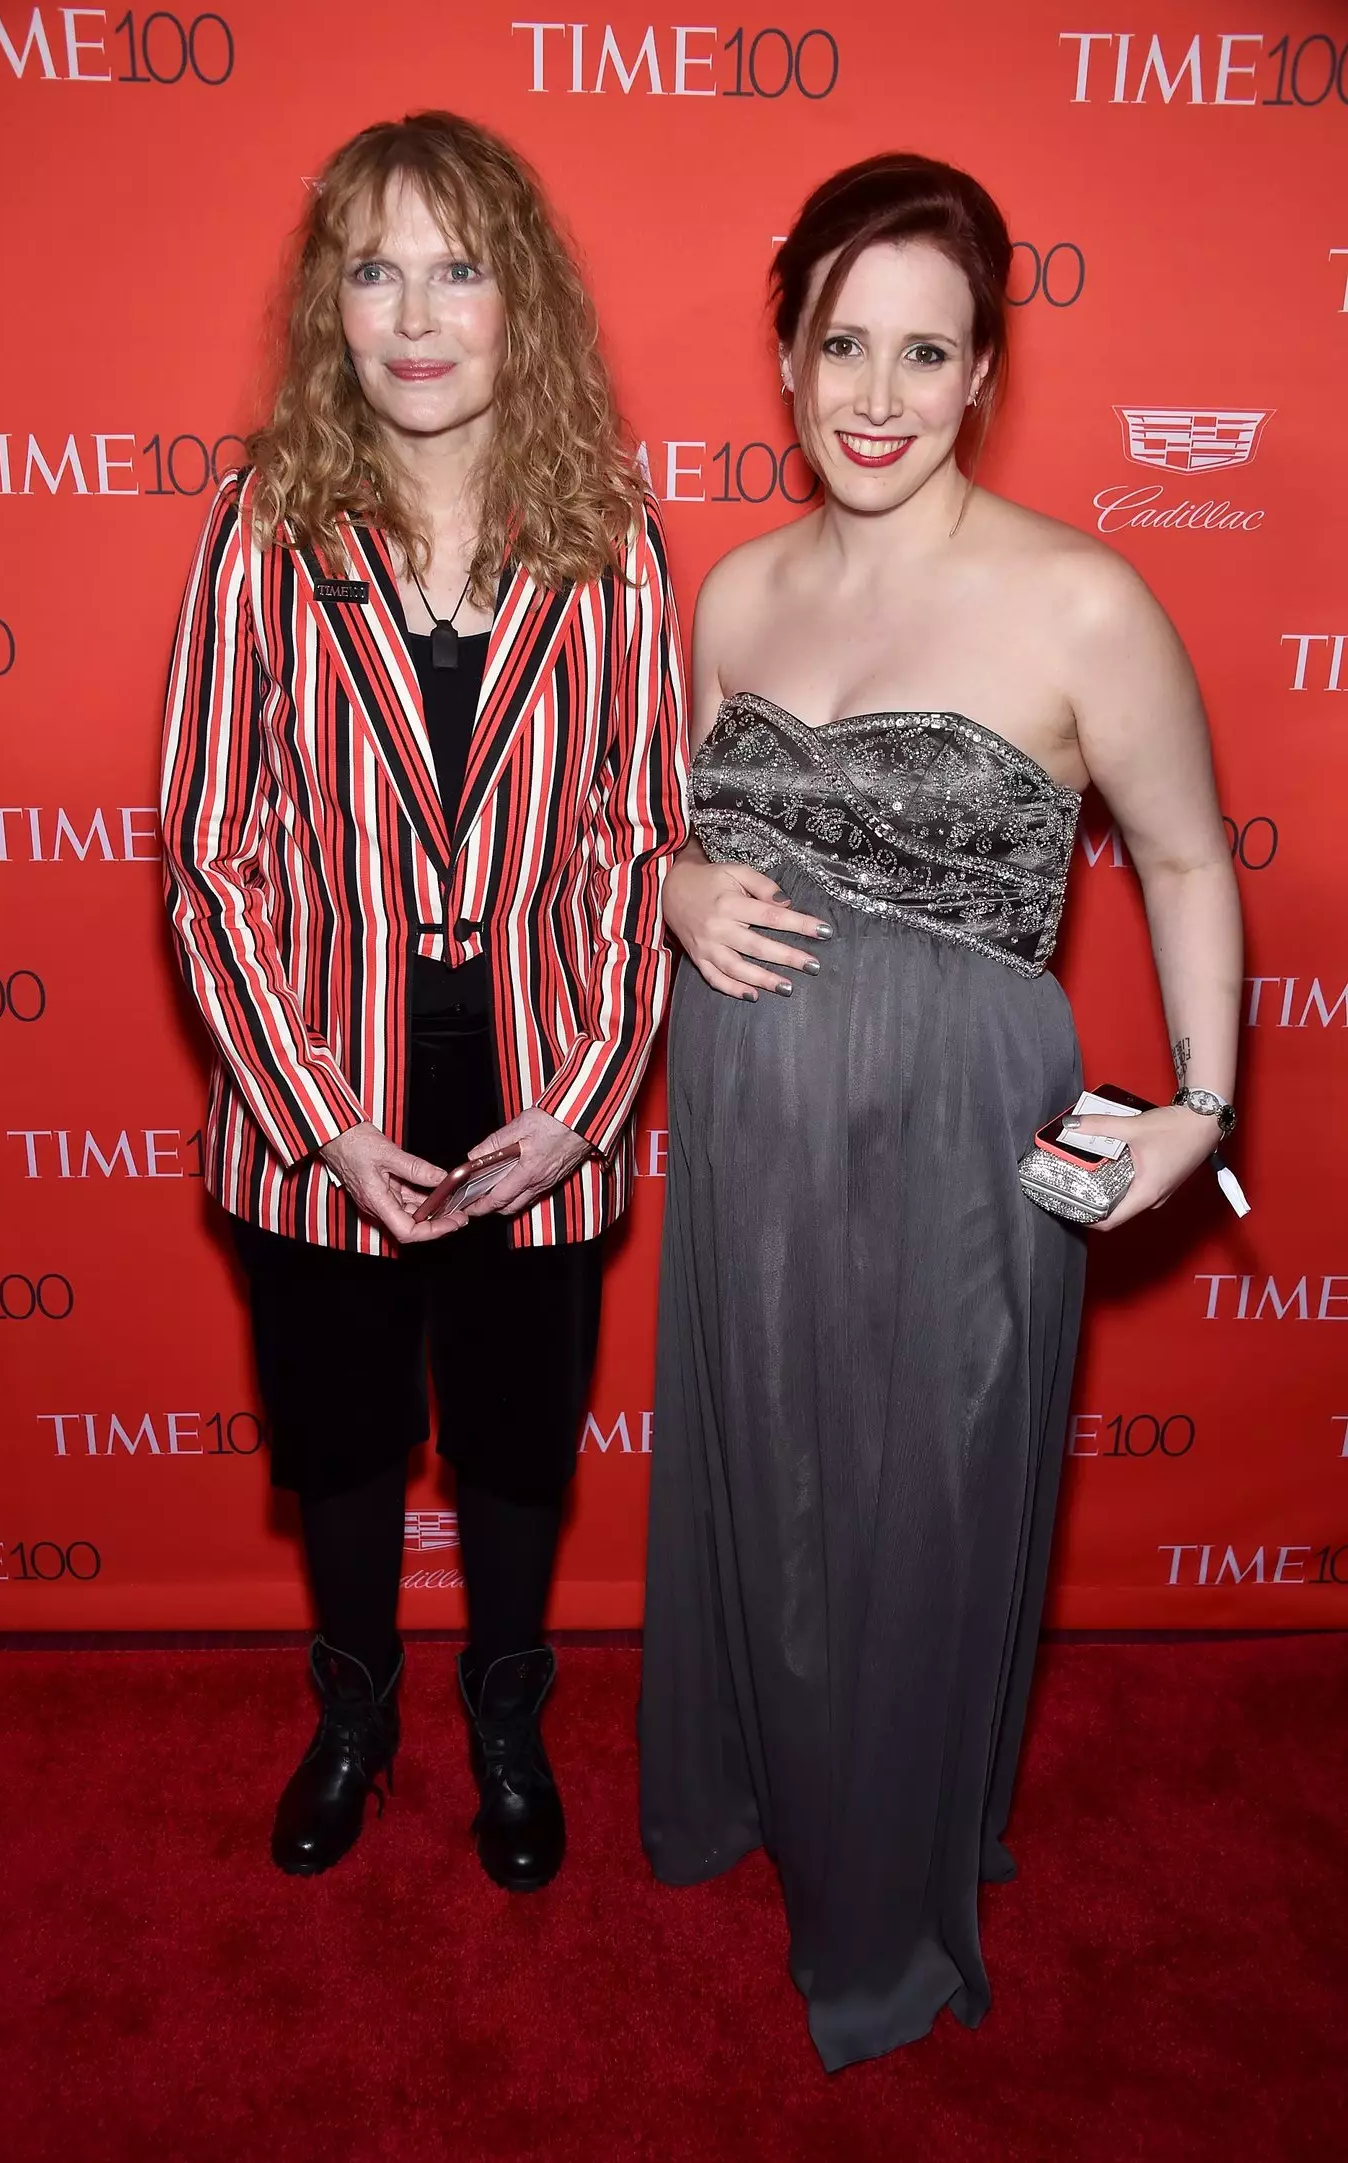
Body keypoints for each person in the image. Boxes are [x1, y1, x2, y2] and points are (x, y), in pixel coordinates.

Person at [638, 153, 1242, 2068]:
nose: (877, 397)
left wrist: (1203, 1106)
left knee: (927, 1504)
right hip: (748, 1137)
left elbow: (1190, 861)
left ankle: (886, 1899)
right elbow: (666, 823)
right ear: (788, 358)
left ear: (984, 370)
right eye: (842, 347)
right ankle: (751, 1783)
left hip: (965, 1146)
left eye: (926, 351)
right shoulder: (730, 588)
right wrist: (666, 885)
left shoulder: (1080, 598)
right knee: (766, 1473)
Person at [162, 113, 687, 1894]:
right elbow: (211, 857)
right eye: (374, 268)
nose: (415, 312)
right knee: (340, 1447)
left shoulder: (613, 538)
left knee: (522, 1445)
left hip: (546, 1093)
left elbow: (641, 849)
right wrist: (322, 1118)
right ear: (333, 304)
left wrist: (593, 1097)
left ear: (518, 299)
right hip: (325, 1102)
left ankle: (509, 1724)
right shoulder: (261, 533)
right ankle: (356, 1715)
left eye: (457, 266)